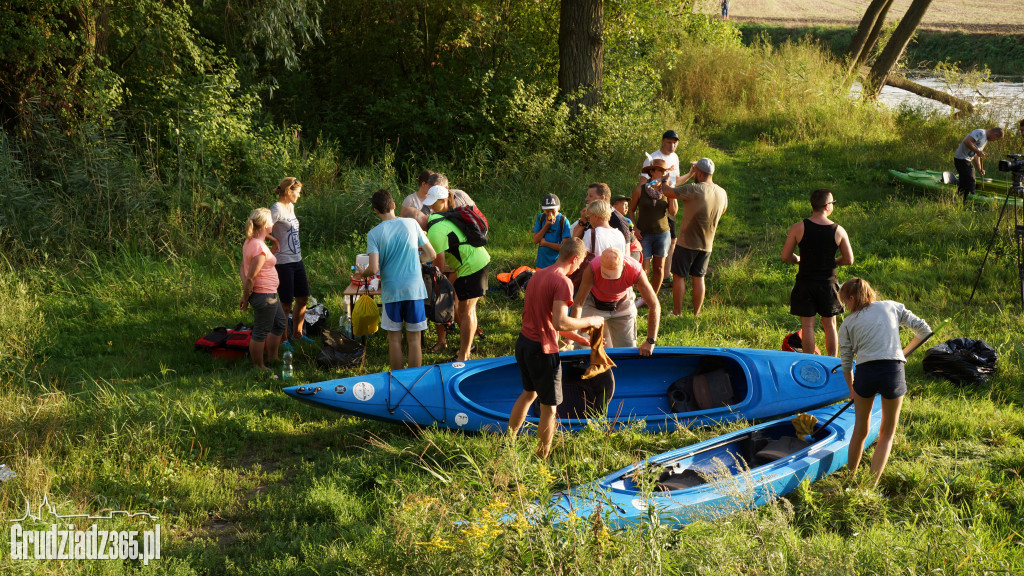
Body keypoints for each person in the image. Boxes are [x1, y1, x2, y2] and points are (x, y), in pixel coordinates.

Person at [508, 238, 604, 459]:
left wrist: (579, 338)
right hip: (543, 351)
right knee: (550, 408)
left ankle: (508, 443)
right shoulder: (562, 282)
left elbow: (548, 320)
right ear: (575, 259)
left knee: (528, 393)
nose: (579, 268)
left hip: (524, 344)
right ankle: (541, 460)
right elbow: (560, 322)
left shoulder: (538, 275)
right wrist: (590, 321)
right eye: (580, 263)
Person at [838, 277, 931, 487]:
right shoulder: (892, 306)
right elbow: (924, 330)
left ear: (851, 298)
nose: (845, 306)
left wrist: (851, 388)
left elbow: (846, 362)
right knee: (887, 432)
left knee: (860, 429)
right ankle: (870, 486)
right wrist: (902, 353)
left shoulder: (848, 323)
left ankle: (850, 480)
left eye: (844, 301)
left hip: (865, 373)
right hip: (892, 371)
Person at [355, 190, 437, 371]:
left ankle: (398, 380)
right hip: (414, 290)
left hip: (392, 291)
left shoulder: (374, 234)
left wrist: (362, 274)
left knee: (394, 340)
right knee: (414, 339)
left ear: (376, 210)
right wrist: (418, 260)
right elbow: (431, 254)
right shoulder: (412, 223)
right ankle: (415, 380)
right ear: (393, 205)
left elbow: (373, 268)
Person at [781, 188, 854, 356]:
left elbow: (786, 256)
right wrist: (832, 261)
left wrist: (800, 259)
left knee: (807, 326)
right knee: (830, 325)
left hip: (805, 283)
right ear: (827, 206)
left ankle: (809, 361)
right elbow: (849, 259)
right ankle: (832, 361)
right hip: (828, 284)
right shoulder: (838, 230)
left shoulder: (798, 227)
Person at [424, 185, 490, 361]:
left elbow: (438, 265)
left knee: (466, 311)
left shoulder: (437, 226)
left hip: (472, 266)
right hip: (475, 262)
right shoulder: (444, 217)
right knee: (468, 310)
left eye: (434, 203)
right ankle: (466, 351)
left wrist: (439, 283)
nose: (431, 207)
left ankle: (463, 355)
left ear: (443, 200)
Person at [663, 158, 728, 316]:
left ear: (699, 173)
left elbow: (668, 192)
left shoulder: (694, 189)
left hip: (686, 242)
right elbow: (723, 210)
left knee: (679, 276)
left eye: (695, 171)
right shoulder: (722, 192)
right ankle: (696, 314)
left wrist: (665, 180)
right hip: (707, 244)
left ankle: (677, 313)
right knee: (699, 277)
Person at [572, 248, 660, 352]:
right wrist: (572, 335)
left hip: (623, 303)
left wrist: (651, 341)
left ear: (623, 265)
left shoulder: (635, 270)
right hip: (594, 303)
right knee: (582, 349)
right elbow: (578, 303)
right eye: (606, 276)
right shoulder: (592, 268)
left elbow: (654, 305)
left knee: (626, 350)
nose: (611, 281)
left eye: (615, 277)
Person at [239, 208, 286, 371]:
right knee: (260, 331)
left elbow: (242, 267)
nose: (273, 223)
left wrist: (272, 240)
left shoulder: (250, 241)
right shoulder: (259, 249)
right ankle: (259, 366)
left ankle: (273, 357)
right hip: (264, 295)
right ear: (265, 225)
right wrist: (245, 296)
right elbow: (250, 277)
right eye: (271, 221)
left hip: (268, 293)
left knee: (279, 323)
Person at [270, 177, 314, 343]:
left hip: (297, 259)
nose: (299, 196)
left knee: (303, 298)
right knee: (286, 303)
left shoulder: (291, 207)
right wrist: (274, 240)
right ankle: (283, 339)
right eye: (298, 192)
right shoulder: (276, 208)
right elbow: (262, 228)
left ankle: (298, 334)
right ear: (289, 191)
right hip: (283, 262)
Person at [631, 158, 678, 308]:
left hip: (662, 234)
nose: (663, 174)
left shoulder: (667, 189)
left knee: (659, 268)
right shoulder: (641, 189)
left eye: (665, 171)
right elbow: (631, 210)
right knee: (643, 269)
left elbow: (673, 212)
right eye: (660, 171)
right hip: (644, 234)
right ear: (652, 171)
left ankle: (652, 297)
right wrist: (635, 228)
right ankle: (644, 296)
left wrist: (670, 191)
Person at [642, 130, 682, 280]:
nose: (672, 146)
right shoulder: (652, 158)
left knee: (672, 239)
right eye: (669, 142)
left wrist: (691, 173)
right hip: (654, 202)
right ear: (662, 142)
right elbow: (643, 183)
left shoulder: (675, 157)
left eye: (675, 143)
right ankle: (644, 277)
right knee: (651, 238)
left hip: (669, 199)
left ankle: (666, 274)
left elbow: (676, 180)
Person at [953, 127, 1004, 203]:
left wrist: (980, 169)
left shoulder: (985, 140)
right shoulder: (980, 133)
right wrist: (977, 151)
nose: (994, 141)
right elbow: (967, 141)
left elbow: (976, 156)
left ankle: (960, 200)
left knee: (965, 181)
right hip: (961, 158)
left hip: (966, 160)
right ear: (995, 134)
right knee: (970, 181)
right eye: (996, 139)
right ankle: (969, 202)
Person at [532, 193, 572, 269]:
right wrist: (546, 225)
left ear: (559, 208)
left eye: (553, 211)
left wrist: (546, 243)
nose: (550, 214)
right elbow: (535, 240)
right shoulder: (541, 217)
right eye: (547, 211)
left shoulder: (563, 221)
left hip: (556, 266)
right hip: (541, 264)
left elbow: (565, 248)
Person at [612, 195, 643, 261]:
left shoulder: (628, 221)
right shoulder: (609, 219)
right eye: (624, 205)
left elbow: (631, 234)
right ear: (614, 206)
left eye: (627, 205)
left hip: (630, 248)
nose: (627, 207)